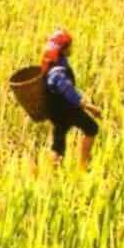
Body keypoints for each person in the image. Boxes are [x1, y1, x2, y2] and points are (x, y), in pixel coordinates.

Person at [42, 29, 102, 168]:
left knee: (59, 141)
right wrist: (89, 107)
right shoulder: (58, 72)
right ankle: (83, 165)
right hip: (66, 109)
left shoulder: (55, 62)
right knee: (91, 128)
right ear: (63, 49)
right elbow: (69, 92)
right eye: (69, 46)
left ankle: (53, 170)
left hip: (56, 111)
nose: (71, 49)